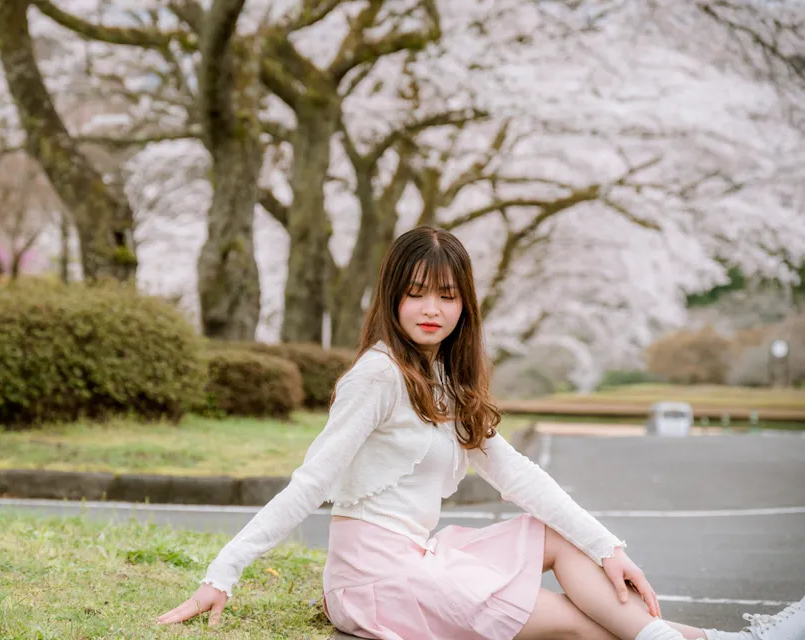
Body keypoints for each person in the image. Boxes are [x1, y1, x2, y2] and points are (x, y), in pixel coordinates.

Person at [158, 226, 805, 640]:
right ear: (391, 297)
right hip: (374, 580)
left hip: (420, 559)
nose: (432, 309)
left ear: (465, 302)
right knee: (580, 627)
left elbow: (518, 474)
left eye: (447, 295)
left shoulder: (442, 378)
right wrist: (223, 573)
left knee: (565, 547)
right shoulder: (377, 376)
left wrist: (609, 549)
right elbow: (310, 484)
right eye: (417, 294)